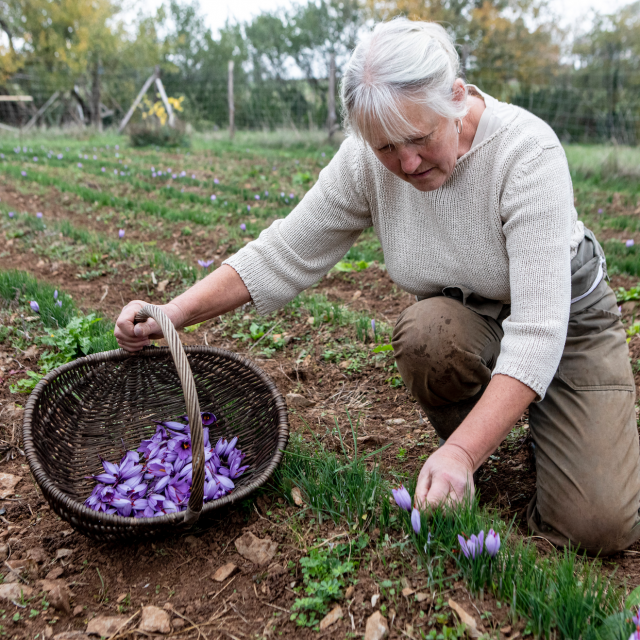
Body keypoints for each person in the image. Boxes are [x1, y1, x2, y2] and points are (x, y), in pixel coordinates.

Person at [115, 18, 640, 555]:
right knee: (426, 335)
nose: (406, 163)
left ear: (455, 98)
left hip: (566, 319)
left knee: (598, 527)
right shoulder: (369, 161)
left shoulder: (526, 153)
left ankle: (501, 440)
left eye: (419, 139)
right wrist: (174, 312)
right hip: (469, 318)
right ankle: (489, 438)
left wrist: (460, 454)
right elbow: (284, 251)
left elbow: (537, 332)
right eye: (387, 147)